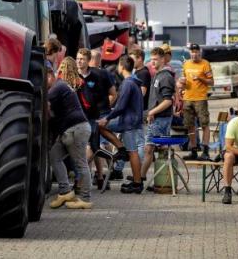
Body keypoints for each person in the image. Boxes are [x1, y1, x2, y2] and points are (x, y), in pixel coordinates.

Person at [46, 61, 93, 210]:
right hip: (70, 130)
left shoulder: (56, 88)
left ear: (49, 75)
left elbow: (45, 108)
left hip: (75, 129)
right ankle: (65, 192)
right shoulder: (60, 85)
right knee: (54, 156)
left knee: (81, 164)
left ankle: (85, 198)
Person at [97, 55, 145, 193]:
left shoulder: (128, 83)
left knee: (133, 152)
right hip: (131, 120)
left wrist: (107, 118)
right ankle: (121, 149)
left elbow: (121, 106)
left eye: (118, 65)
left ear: (122, 66)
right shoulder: (134, 82)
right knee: (132, 151)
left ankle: (137, 184)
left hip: (129, 122)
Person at [76, 48, 116, 189]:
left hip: (99, 116)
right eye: (78, 59)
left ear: (89, 60)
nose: (79, 62)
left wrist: (104, 110)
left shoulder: (101, 74)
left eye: (82, 59)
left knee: (96, 146)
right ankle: (97, 176)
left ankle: (98, 176)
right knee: (93, 146)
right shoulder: (74, 76)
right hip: (83, 117)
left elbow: (113, 94)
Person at [140, 47, 177, 185]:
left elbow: (168, 101)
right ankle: (145, 179)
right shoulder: (157, 74)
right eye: (151, 59)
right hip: (157, 118)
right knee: (151, 149)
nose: (152, 62)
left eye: (155, 59)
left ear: (163, 59)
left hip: (161, 118)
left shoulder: (165, 76)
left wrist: (152, 112)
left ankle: (149, 180)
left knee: (155, 148)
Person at [178, 43, 214, 161]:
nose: (194, 54)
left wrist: (199, 78)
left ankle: (205, 151)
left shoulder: (205, 64)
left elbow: (211, 82)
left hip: (200, 99)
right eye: (192, 52)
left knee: (204, 124)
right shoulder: (186, 64)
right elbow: (183, 80)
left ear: (200, 52)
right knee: (190, 126)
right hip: (187, 98)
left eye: (196, 51)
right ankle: (193, 150)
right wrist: (181, 84)